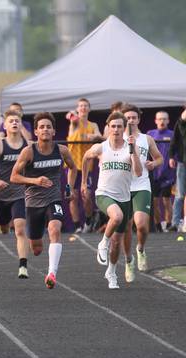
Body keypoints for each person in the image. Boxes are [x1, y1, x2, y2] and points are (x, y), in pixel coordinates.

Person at [10, 112, 77, 289]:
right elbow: (14, 176)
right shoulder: (28, 152)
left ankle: (51, 273)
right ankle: (39, 245)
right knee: (37, 248)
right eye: (41, 127)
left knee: (55, 229)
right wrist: (35, 181)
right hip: (33, 203)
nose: (45, 129)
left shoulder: (61, 150)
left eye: (48, 126)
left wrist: (69, 186)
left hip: (53, 198)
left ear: (54, 131)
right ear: (36, 132)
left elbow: (73, 168)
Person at [81, 112, 142, 289]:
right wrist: (84, 182)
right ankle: (102, 243)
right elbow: (85, 158)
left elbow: (138, 172)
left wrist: (133, 152)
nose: (115, 130)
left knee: (117, 242)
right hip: (104, 194)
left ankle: (112, 272)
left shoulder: (130, 147)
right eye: (112, 126)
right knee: (116, 217)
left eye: (119, 126)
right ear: (108, 128)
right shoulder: (102, 147)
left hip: (124, 197)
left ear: (124, 129)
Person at [0, 110, 30, 278]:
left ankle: (23, 266)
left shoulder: (28, 145)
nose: (15, 123)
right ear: (5, 125)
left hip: (20, 193)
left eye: (17, 120)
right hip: (2, 195)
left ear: (21, 124)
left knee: (20, 230)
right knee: (3, 226)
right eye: (11, 121)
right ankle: (5, 230)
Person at [121, 105, 163, 281]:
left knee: (142, 225)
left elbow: (159, 158)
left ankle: (140, 249)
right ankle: (128, 262)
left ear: (138, 119)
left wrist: (154, 164)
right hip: (122, 187)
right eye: (127, 117)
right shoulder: (116, 137)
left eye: (133, 117)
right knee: (126, 227)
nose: (130, 120)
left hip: (142, 185)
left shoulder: (147, 139)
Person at [66, 98, 102, 232]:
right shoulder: (74, 123)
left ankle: (88, 220)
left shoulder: (93, 125)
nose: (83, 108)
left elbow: (99, 136)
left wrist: (93, 137)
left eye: (86, 106)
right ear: (77, 108)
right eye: (81, 106)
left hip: (87, 167)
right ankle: (77, 226)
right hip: (71, 167)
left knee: (86, 196)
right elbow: (71, 117)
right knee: (72, 196)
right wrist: (71, 115)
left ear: (89, 108)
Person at [147, 111, 175, 231]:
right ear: (155, 120)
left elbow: (177, 152)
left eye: (164, 119)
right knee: (154, 201)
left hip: (167, 174)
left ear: (168, 121)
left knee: (166, 200)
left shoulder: (173, 134)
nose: (162, 121)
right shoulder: (150, 134)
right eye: (160, 119)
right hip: (153, 174)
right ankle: (158, 226)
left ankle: (169, 225)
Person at [167, 106, 186, 231]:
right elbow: (174, 139)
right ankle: (175, 223)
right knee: (179, 194)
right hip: (182, 162)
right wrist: (171, 156)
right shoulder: (181, 124)